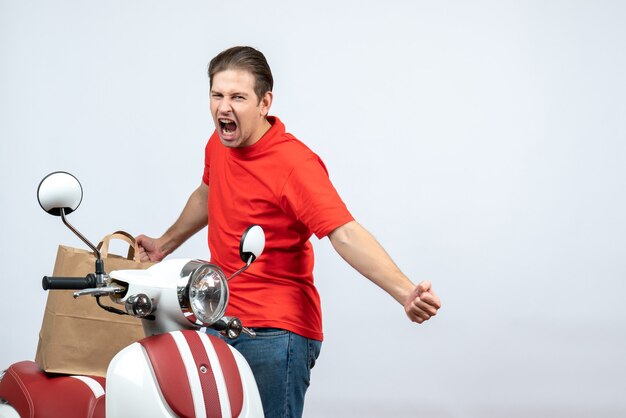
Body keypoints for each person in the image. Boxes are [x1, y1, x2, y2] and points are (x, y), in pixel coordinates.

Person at [136, 45, 441, 418]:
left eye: (237, 97)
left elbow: (344, 233)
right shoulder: (218, 143)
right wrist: (163, 245)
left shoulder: (294, 164)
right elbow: (208, 193)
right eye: (217, 95)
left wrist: (405, 292)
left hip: (275, 334)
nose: (223, 108)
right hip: (221, 318)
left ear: (265, 102)